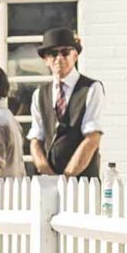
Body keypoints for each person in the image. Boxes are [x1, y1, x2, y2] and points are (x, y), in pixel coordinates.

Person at [29, 28, 104, 177]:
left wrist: (67, 177)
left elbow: (92, 138)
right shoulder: (39, 94)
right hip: (48, 181)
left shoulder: (91, 88)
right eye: (53, 54)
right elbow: (36, 140)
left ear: (75, 55)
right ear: (45, 59)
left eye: (65, 52)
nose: (59, 58)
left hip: (83, 182)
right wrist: (49, 175)